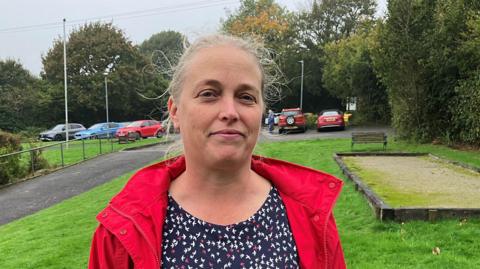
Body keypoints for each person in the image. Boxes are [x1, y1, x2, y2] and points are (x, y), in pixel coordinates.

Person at [88, 34, 346, 269]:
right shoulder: (120, 232)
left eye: (246, 97)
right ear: (175, 111)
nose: (230, 112)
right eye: (209, 94)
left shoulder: (311, 217)